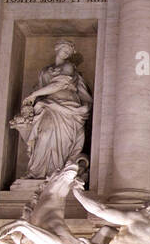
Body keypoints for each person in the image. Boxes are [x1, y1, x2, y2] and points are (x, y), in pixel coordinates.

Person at [10, 40, 92, 179]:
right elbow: (41, 87)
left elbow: (60, 84)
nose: (67, 53)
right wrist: (32, 101)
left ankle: (57, 174)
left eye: (69, 52)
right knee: (44, 135)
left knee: (61, 141)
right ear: (57, 48)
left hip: (67, 108)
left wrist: (34, 95)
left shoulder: (68, 66)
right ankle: (37, 173)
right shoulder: (45, 70)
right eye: (65, 49)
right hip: (48, 106)